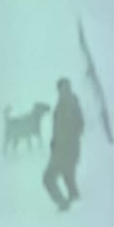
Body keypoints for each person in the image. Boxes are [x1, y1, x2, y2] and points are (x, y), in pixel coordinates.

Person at [43, 77, 84, 211]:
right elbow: (64, 127)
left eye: (67, 88)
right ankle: (78, 208)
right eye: (62, 88)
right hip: (65, 150)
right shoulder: (65, 103)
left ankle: (63, 204)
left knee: (48, 178)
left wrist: (67, 143)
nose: (64, 91)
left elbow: (79, 126)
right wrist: (54, 141)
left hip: (65, 152)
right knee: (69, 180)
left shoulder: (69, 104)